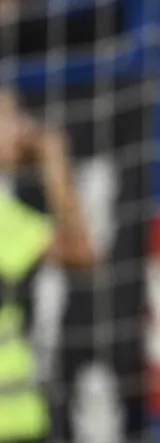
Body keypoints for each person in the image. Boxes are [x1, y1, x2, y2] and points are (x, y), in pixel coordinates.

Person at [0, 89, 95, 443]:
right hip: (10, 421)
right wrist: (54, 162)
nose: (23, 126)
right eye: (8, 116)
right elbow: (82, 251)